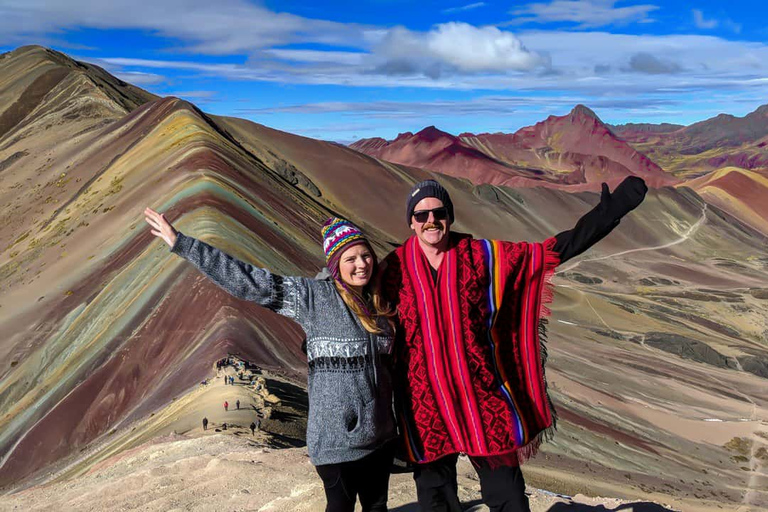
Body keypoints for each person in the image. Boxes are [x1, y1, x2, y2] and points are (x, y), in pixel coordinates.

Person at [381, 177, 647, 512]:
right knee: (435, 499)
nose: (431, 221)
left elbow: (548, 253)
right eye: (421, 215)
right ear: (410, 222)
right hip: (424, 406)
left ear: (450, 216)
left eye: (439, 212)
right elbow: (357, 298)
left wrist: (608, 213)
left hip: (482, 399)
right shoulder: (392, 270)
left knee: (507, 495)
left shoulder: (481, 256)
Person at [144, 209, 398, 512]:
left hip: (380, 438)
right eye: (351, 258)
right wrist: (183, 245)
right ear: (335, 264)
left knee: (377, 508)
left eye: (366, 255)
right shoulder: (313, 298)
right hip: (335, 441)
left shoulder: (382, 304)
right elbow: (251, 282)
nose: (361, 265)